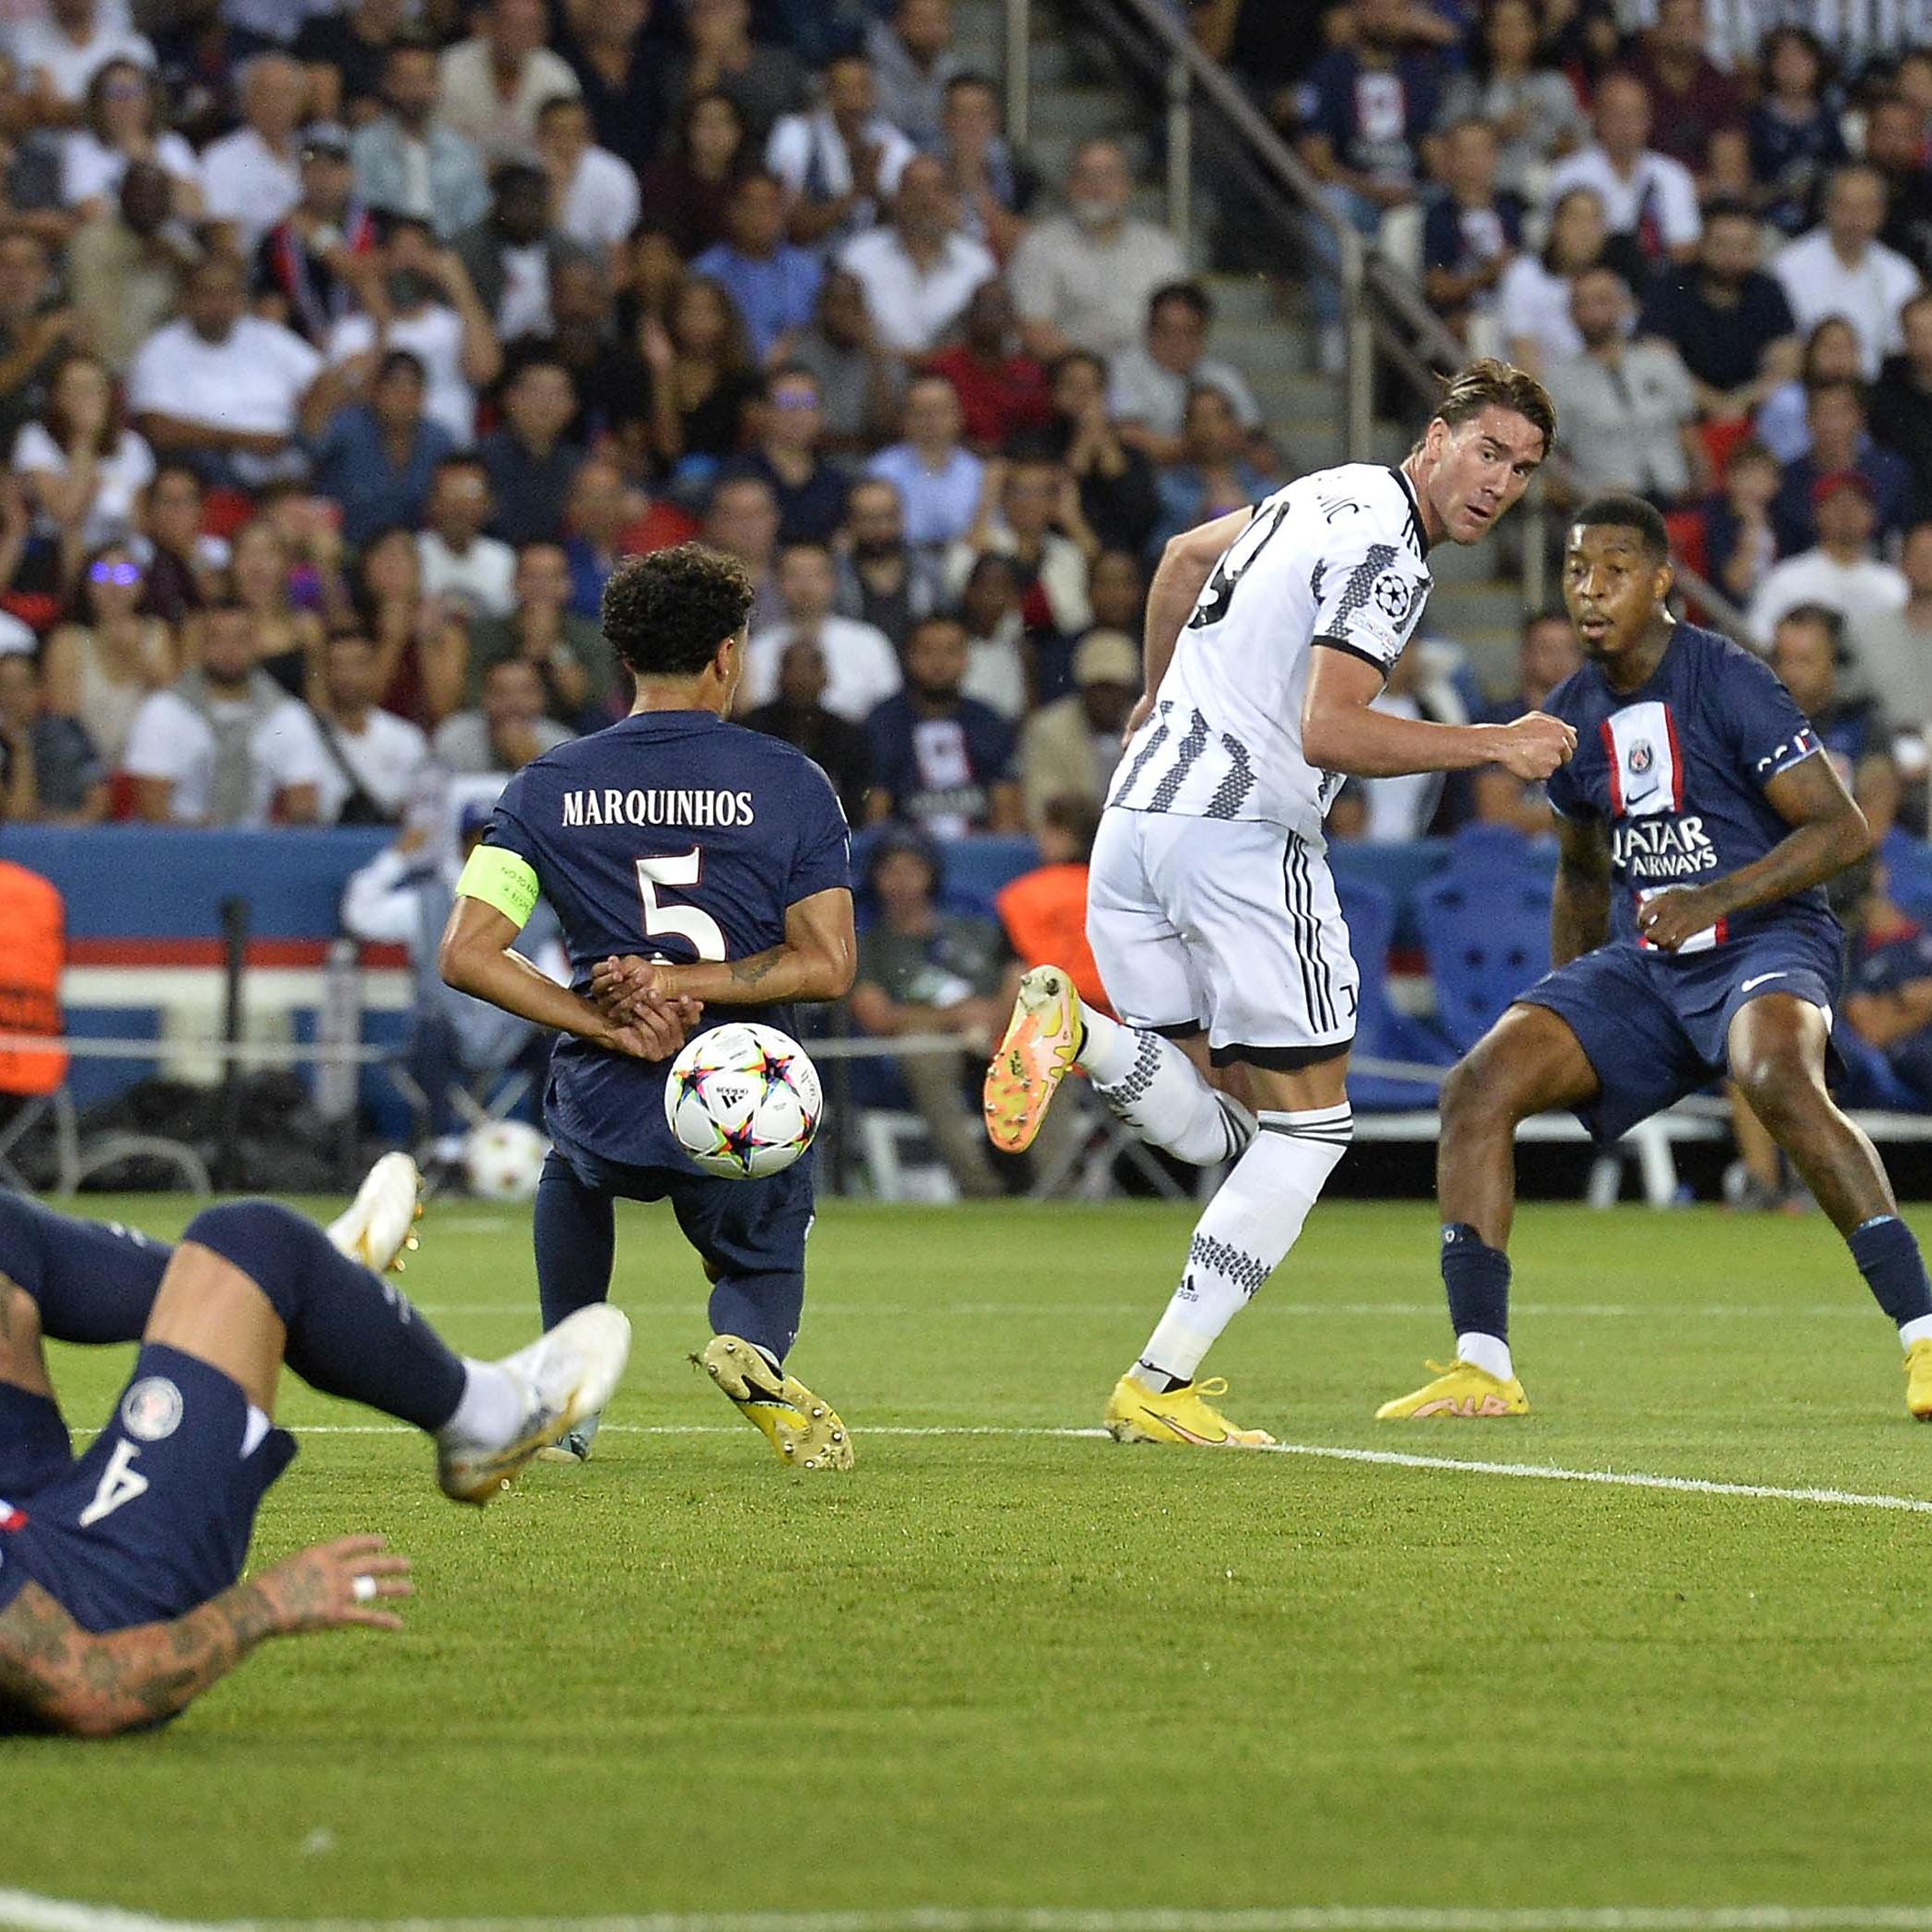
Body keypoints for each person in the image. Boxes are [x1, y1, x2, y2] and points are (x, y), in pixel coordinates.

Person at [982, 359, 1568, 1447]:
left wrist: (1159, 691)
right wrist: (1495, 739)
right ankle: (1157, 1381)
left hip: (1136, 824)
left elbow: (1175, 559)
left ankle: (1075, 1030)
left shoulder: (1321, 487)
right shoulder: (1388, 552)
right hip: (1241, 837)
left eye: (1523, 468)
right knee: (1310, 1130)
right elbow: (1328, 729)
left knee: (1218, 1126)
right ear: (1433, 439)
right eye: (1486, 452)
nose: (1498, 483)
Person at [1377, 493, 1932, 1424]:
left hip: (1766, 937)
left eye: (1613, 570)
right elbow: (1581, 873)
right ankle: (1481, 1365)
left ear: (1661, 580)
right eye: (1574, 571)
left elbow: (1839, 830)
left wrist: (1713, 897)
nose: (1589, 590)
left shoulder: (1725, 680)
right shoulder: (1567, 716)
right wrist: (1561, 994)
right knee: (1475, 1084)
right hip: (1653, 961)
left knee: (1774, 1075)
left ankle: (1921, 1334)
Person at [440, 543, 859, 1469]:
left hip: (612, 1089)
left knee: (574, 1173)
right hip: (745, 1085)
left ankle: (565, 1402)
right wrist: (688, 982)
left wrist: (607, 1016)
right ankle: (751, 1341)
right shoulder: (791, 779)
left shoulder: (545, 784)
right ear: (725, 655)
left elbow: (466, 954)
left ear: (623, 658)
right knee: (761, 1246)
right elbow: (827, 965)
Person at [0, 1166, 631, 1737]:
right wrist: (263, 1606)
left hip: (26, 1512)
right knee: (255, 1240)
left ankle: (311, 1291)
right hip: (99, 1591)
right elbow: (89, 1687)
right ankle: (480, 1412)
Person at [343, 803, 565, 1150]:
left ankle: (551, 1144)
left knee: (558, 1039)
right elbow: (361, 915)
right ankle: (443, 1145)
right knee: (429, 1030)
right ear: (463, 846)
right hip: (444, 1034)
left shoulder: (534, 912)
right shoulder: (428, 903)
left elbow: (558, 985)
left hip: (511, 1035)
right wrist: (397, 858)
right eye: (480, 841)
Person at [850, 827, 1011, 1201]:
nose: (902, 882)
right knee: (923, 1051)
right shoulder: (868, 942)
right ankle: (981, 1189)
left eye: (913, 870)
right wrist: (955, 1019)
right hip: (923, 1046)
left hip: (998, 1033)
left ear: (932, 875)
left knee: (1043, 1057)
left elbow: (1018, 975)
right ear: (875, 878)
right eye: (891, 871)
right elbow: (875, 1015)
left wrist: (995, 1017)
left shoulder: (974, 926)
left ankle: (1056, 1190)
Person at [122, 597, 330, 827]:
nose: (229, 649)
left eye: (240, 639)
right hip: (177, 850)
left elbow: (304, 809)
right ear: (201, 644)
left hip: (258, 851)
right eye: (217, 639)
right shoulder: (164, 711)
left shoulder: (287, 716)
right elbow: (152, 811)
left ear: (257, 643)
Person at [1008, 139, 1186, 364]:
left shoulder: (1161, 248)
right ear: (1070, 184)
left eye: (1108, 175)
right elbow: (1034, 331)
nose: (1097, 186)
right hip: (1069, 379)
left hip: (1148, 379)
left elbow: (1180, 325)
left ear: (1127, 185)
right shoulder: (1039, 245)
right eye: (1085, 175)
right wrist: (1093, 378)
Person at [1542, 264, 1702, 504]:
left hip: (1675, 497)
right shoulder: (1559, 381)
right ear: (1571, 314)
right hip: (1609, 508)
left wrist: (1700, 488)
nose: (1593, 312)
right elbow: (1554, 462)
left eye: (1602, 300)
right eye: (1583, 304)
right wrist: (1583, 496)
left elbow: (1689, 434)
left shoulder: (1661, 361)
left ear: (1623, 304)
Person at [1637, 200, 1799, 427]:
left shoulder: (1767, 289)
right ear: (1702, 243)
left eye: (1744, 247)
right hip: (1685, 408)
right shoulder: (1672, 286)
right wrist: (1716, 404)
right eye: (1722, 245)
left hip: (1751, 408)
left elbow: (1787, 362)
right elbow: (1655, 358)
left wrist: (1739, 403)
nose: (1732, 257)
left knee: (1790, 401)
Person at [866, 612, 1023, 836]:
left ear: (966, 658)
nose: (939, 662)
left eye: (951, 651)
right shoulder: (883, 721)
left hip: (981, 852)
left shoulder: (988, 721)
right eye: (927, 651)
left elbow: (1006, 809)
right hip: (904, 853)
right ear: (908, 657)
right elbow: (876, 810)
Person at [1772, 165, 1922, 381]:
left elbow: (1900, 349)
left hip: (1879, 389)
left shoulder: (1899, 271)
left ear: (1882, 213)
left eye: (1867, 208)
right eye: (1845, 206)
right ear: (1826, 207)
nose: (1855, 219)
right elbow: (1785, 347)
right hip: (1809, 386)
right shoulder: (1789, 265)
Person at [838, 152, 994, 358]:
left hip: (954, 381)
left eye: (937, 190)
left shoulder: (977, 261)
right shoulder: (859, 255)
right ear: (897, 198)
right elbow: (844, 326)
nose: (926, 200)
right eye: (915, 189)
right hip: (876, 375)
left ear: (952, 198)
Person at [1107, 281, 1261, 470]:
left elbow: (1250, 434)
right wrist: (1202, 446)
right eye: (1168, 331)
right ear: (1149, 329)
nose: (1177, 342)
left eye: (1189, 332)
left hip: (1219, 476)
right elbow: (1128, 436)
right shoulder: (1124, 370)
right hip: (1155, 479)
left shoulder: (1223, 375)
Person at [742, 538, 901, 721]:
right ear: (777, 583)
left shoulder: (870, 641)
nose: (805, 585)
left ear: (833, 581)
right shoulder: (757, 649)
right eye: (794, 575)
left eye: (815, 574)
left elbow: (890, 711)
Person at [351, 35, 491, 241]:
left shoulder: (461, 150)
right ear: (388, 84)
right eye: (405, 80)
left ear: (437, 85)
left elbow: (475, 219)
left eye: (422, 80)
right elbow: (359, 214)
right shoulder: (363, 146)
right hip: (383, 256)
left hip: (448, 257)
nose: (414, 90)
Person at [1745, 471, 1908, 646]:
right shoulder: (1786, 579)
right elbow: (1759, 641)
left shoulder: (1894, 584)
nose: (1847, 512)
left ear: (1872, 515)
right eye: (1836, 502)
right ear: (1817, 514)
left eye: (1857, 503)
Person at [690, 170, 823, 364]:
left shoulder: (807, 271)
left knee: (799, 391)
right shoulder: (707, 272)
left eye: (771, 206)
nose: (761, 215)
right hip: (729, 378)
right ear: (732, 212)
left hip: (793, 380)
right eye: (752, 206)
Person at [1473, 607, 1583, 836]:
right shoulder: (1498, 723)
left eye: (1569, 650)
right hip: (1512, 860)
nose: (1559, 660)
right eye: (1547, 649)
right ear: (1525, 656)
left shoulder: (1598, 723)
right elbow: (1496, 814)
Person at [739, 635, 872, 823]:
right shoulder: (750, 730)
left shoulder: (848, 735)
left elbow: (858, 801)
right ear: (779, 676)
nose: (801, 678)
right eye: (793, 667)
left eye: (811, 668)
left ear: (826, 677)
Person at [1017, 626, 1138, 827]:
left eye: (1115, 689)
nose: (1107, 699)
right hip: (1075, 844)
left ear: (1129, 690)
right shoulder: (1047, 730)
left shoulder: (1149, 729)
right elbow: (1044, 808)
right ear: (1082, 688)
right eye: (1099, 688)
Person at [310, 631, 431, 825]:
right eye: (337, 665)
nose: (346, 676)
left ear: (374, 669)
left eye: (357, 665)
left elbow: (422, 813)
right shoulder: (306, 733)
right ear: (323, 672)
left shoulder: (405, 737)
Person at [436, 0, 580, 159]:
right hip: (456, 176)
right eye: (510, 24)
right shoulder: (450, 68)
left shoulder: (557, 78)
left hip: (534, 179)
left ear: (543, 32)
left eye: (529, 26)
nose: (519, 34)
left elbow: (568, 146)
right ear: (490, 24)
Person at [199, 53, 307, 249]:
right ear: (246, 100)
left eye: (287, 93)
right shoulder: (222, 157)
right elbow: (224, 243)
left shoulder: (312, 150)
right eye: (267, 93)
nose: (278, 104)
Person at [863, 372, 982, 550]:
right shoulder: (880, 470)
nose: (931, 421)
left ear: (959, 416)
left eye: (940, 411)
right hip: (900, 562)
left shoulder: (976, 471)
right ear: (904, 419)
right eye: (921, 412)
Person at [833, 475, 944, 647]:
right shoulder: (834, 574)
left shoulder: (929, 570)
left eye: (888, 517)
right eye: (868, 519)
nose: (880, 528)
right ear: (850, 522)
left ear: (902, 517)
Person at [0, 648, 108, 826]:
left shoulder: (66, 732)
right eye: (5, 686)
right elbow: (16, 819)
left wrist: (57, 828)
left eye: (23, 685)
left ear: (40, 689)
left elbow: (99, 803)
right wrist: (21, 751)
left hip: (70, 841)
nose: (13, 696)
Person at [433, 656, 574, 777]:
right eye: (501, 692)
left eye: (526, 692)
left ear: (542, 698)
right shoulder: (454, 736)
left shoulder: (563, 745)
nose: (514, 703)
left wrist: (531, 761)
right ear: (484, 697)